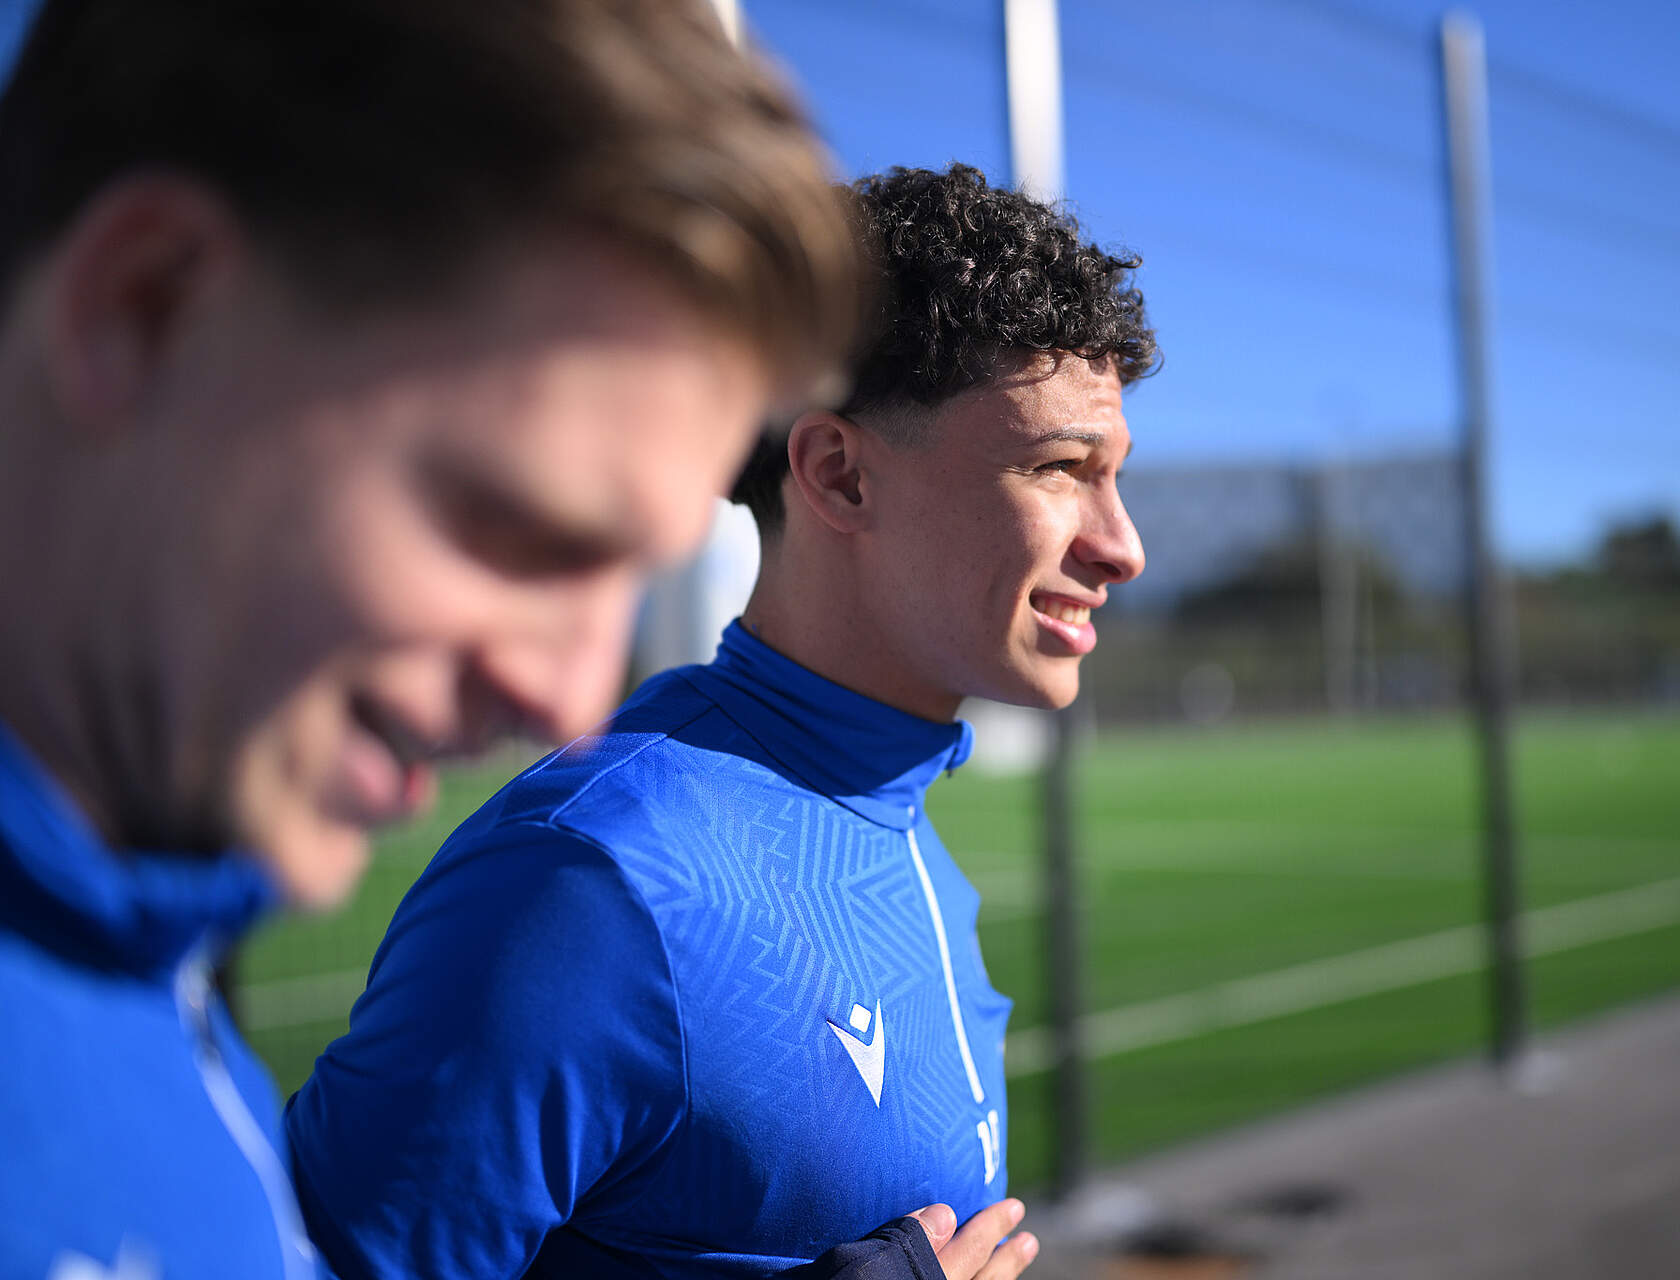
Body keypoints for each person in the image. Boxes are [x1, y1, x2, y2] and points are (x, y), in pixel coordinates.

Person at [0, 4, 1015, 1278]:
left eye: (626, 574)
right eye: (517, 527)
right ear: (146, 310)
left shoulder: (139, 980)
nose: (569, 700)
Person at [286, 162, 1155, 1277]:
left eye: (1114, 475)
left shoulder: (902, 828)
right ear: (839, 475)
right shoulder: (596, 881)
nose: (1123, 546)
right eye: (1060, 468)